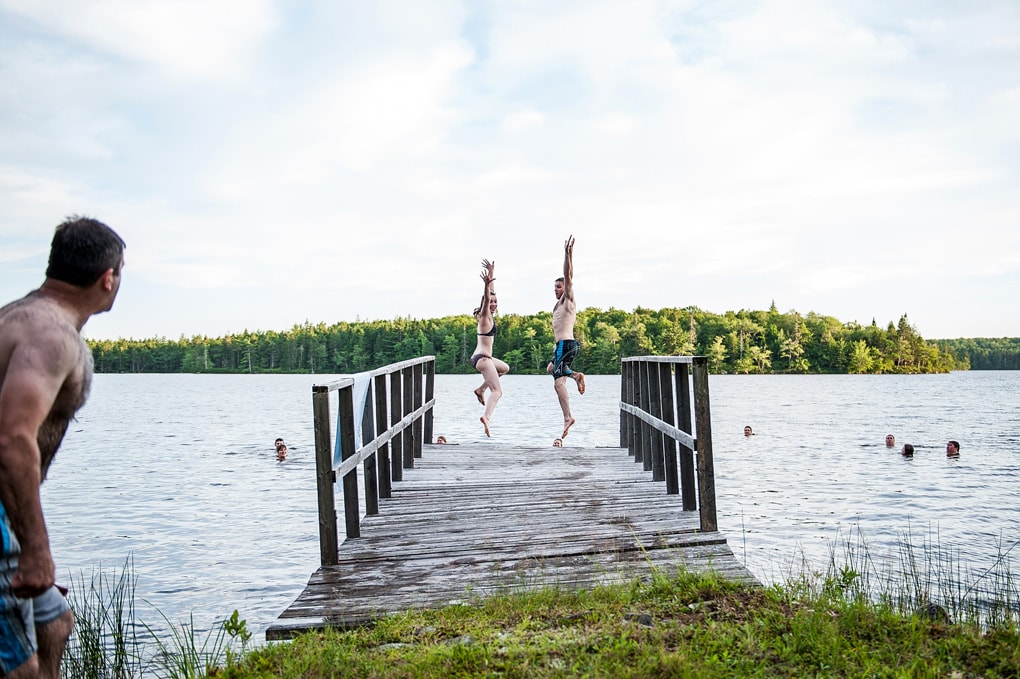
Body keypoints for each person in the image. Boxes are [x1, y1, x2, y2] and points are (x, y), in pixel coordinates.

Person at [0, 216, 125, 678]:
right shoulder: (50, 335)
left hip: (5, 519)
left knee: (54, 623)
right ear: (108, 277)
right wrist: (35, 550)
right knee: (21, 670)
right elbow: (11, 437)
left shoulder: (20, 316)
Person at [547, 236, 585, 439]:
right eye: (554, 287)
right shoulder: (557, 306)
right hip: (561, 346)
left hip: (567, 344)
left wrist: (568, 253)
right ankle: (576, 376)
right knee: (551, 368)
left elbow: (568, 274)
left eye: (559, 287)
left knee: (558, 383)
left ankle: (568, 417)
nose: (556, 289)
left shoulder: (568, 299)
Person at [470, 259, 509, 437]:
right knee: (498, 391)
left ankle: (480, 389)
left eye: (495, 302)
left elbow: (491, 293)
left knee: (504, 368)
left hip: (485, 358)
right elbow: (487, 298)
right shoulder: (485, 316)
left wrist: (491, 273)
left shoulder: (490, 316)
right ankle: (486, 417)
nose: (493, 304)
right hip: (483, 359)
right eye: (491, 302)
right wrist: (486, 288)